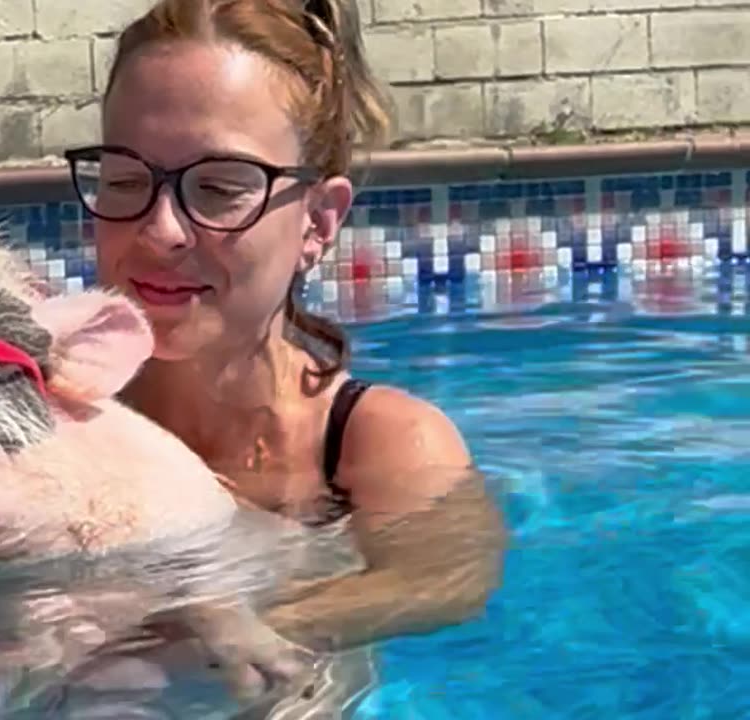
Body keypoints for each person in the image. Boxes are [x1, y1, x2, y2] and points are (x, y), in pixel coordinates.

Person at [60, 0, 508, 711]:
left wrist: (251, 621)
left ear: (319, 221)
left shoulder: (375, 442)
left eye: (220, 187)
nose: (161, 229)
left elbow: (448, 581)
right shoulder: (53, 423)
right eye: (124, 180)